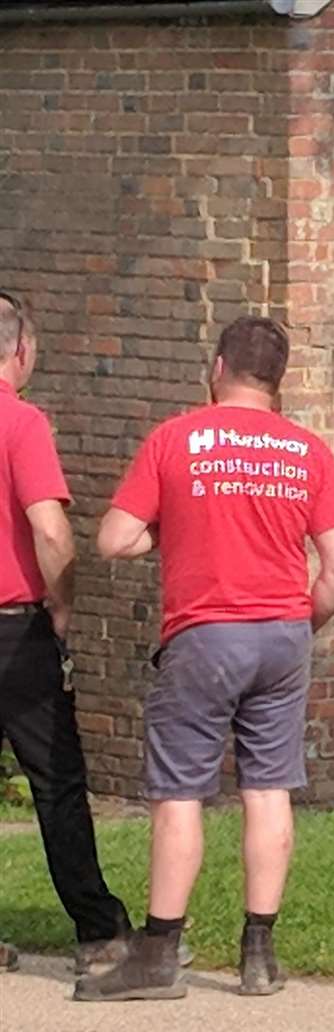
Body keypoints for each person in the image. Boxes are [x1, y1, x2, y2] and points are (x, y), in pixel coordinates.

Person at [75, 316, 334, 1001]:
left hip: (204, 635)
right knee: (269, 788)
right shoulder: (308, 452)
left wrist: (168, 533)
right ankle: (258, 954)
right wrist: (302, 623)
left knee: (180, 794)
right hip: (283, 634)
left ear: (218, 365)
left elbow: (113, 539)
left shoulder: (178, 439)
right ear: (277, 380)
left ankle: (158, 955)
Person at [0, 289, 136, 975]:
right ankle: (100, 932)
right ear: (21, 350)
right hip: (12, 631)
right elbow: (50, 530)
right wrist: (62, 604)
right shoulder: (20, 423)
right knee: (56, 782)